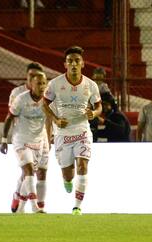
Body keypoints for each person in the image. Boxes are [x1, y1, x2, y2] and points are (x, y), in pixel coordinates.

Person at [43, 46, 102, 215]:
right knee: (68, 175)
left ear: (83, 64)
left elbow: (98, 107)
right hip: (62, 135)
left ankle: (77, 206)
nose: (74, 64)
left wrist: (94, 113)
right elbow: (44, 103)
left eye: (77, 61)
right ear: (65, 64)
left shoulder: (91, 85)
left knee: (82, 166)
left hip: (82, 131)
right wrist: (55, 119)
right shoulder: (55, 84)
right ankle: (67, 181)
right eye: (70, 61)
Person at [0, 72, 50, 214]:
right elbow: (9, 118)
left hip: (39, 140)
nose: (41, 86)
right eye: (38, 83)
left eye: (43, 83)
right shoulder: (21, 99)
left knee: (36, 173)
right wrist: (4, 140)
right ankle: (35, 206)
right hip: (21, 140)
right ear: (31, 85)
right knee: (28, 170)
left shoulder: (48, 100)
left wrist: (50, 137)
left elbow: (51, 119)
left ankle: (21, 203)